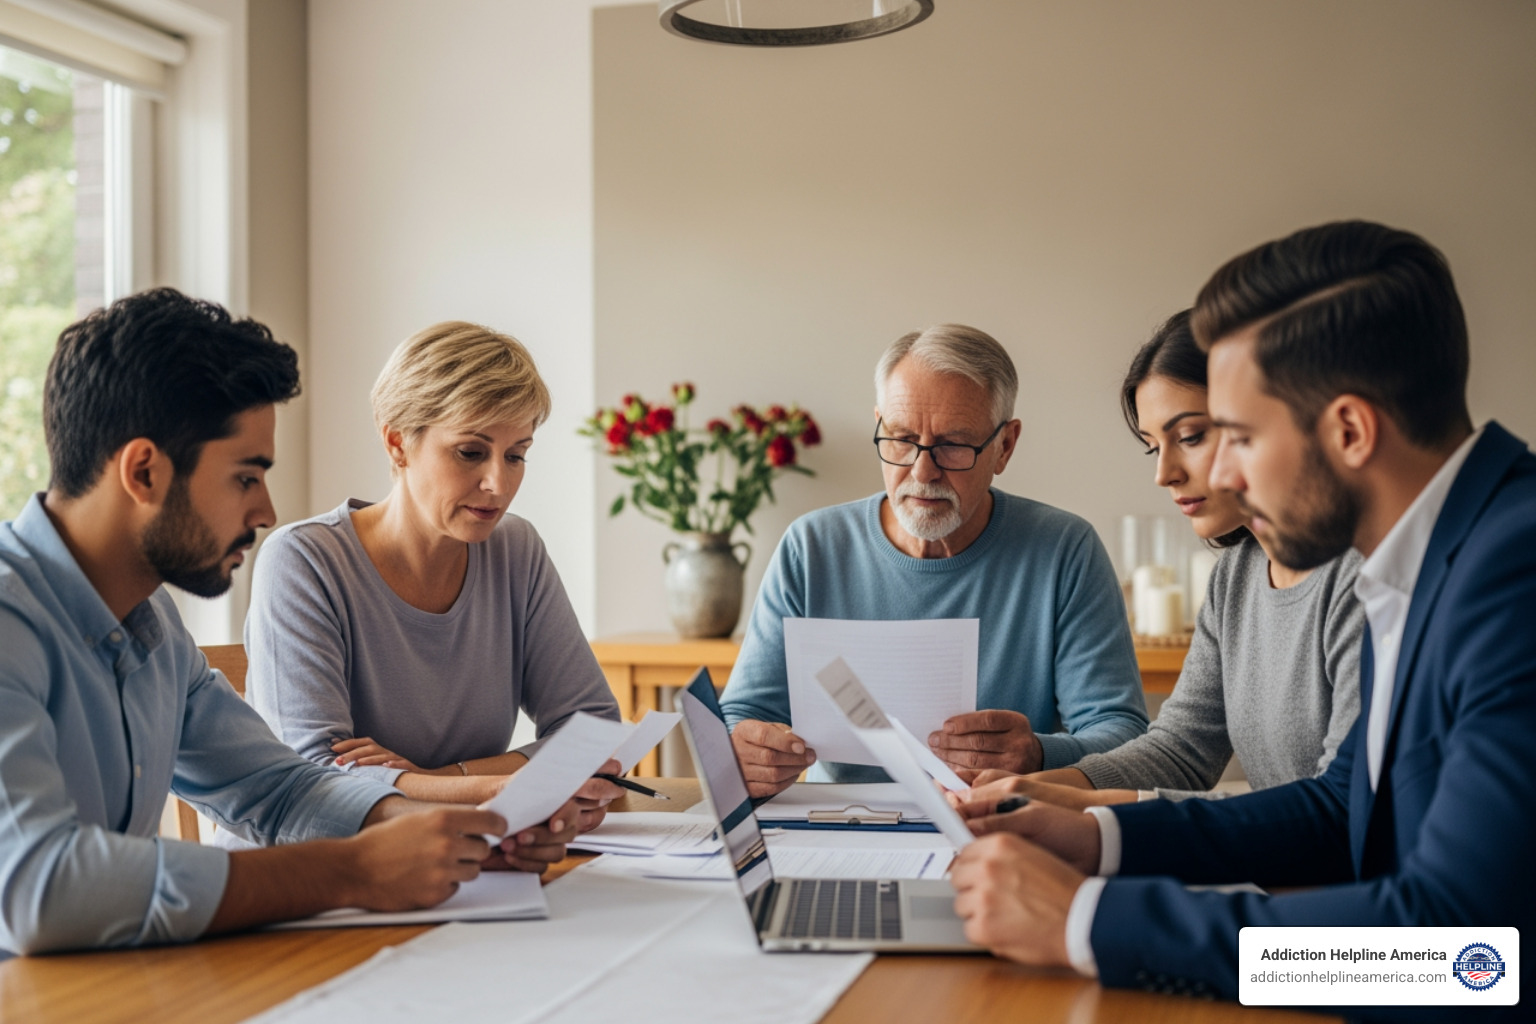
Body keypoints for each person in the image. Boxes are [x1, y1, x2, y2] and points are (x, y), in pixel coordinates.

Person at [948, 221, 1535, 1018]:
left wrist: (1086, 922)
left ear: (1351, 431)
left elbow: (1466, 959)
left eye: (1238, 437)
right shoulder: (1442, 551)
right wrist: (1097, 840)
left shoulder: (1513, 571)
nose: (1216, 473)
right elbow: (1339, 808)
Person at [0, 290, 577, 957]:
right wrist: (352, 870)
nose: (267, 510)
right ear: (144, 471)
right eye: (247, 477)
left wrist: (453, 833)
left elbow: (273, 789)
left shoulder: (148, 616)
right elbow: (37, 891)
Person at [720, 323, 1148, 797]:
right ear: (879, 424)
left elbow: (1123, 733)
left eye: (953, 445)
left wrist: (1040, 754)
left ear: (1005, 446)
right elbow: (739, 718)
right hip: (837, 823)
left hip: (997, 826)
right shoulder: (811, 546)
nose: (922, 471)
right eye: (901, 439)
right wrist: (745, 752)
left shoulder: (1065, 550)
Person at [965, 310, 1364, 810]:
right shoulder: (1237, 574)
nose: (1165, 474)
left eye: (1191, 437)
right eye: (1153, 446)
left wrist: (1099, 827)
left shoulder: (1359, 578)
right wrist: (1042, 789)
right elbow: (1183, 749)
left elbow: (1339, 808)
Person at [236, 322, 622, 832]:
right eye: (470, 452)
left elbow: (593, 733)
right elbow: (316, 780)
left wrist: (432, 780)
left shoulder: (516, 549)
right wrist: (491, 786)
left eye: (516, 455)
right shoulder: (304, 561)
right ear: (398, 443)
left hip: (461, 856)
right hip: (313, 876)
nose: (498, 484)